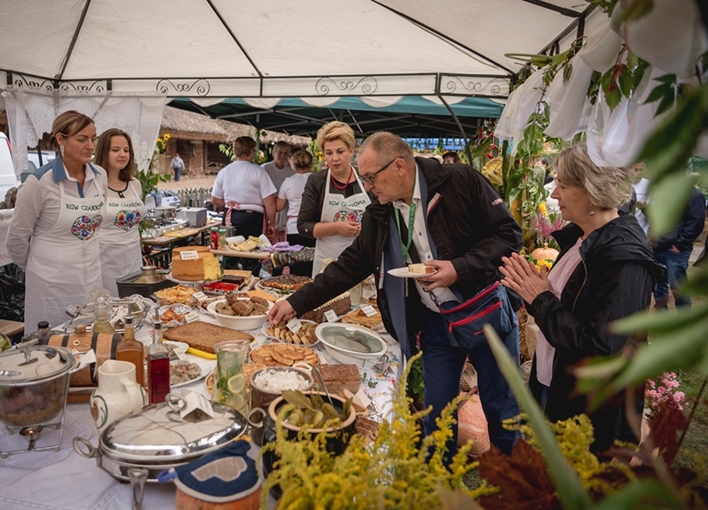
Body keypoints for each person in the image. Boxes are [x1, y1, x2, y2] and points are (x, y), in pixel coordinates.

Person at [271, 132, 523, 457]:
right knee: (436, 417)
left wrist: (459, 268)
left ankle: (514, 480)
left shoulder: (459, 181)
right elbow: (350, 266)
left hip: (485, 313)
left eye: (371, 178)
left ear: (400, 166)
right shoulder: (380, 212)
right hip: (436, 325)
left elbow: (508, 234)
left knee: (502, 411)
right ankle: (439, 481)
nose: (368, 186)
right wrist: (296, 302)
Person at [499, 142, 665, 454]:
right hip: (557, 384)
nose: (553, 194)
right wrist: (536, 291)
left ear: (592, 190)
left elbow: (602, 346)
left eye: (563, 185)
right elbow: (571, 304)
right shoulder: (582, 237)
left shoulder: (623, 258)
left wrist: (541, 300)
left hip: (589, 408)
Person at [7, 110, 106, 331]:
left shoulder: (100, 176)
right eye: (82, 139)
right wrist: (42, 269)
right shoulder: (39, 182)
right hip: (51, 288)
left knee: (92, 340)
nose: (90, 146)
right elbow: (16, 239)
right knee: (53, 344)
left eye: (93, 138)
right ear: (61, 139)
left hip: (91, 281)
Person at [296, 122, 372, 277]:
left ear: (351, 151)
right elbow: (303, 226)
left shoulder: (366, 178)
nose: (335, 158)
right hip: (328, 262)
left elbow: (384, 218)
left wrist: (366, 228)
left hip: (364, 261)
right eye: (329, 153)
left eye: (340, 151)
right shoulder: (317, 181)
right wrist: (337, 228)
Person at [94, 128, 146, 297]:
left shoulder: (135, 184)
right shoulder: (94, 185)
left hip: (133, 257)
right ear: (104, 152)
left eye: (126, 150)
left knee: (134, 302)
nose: (122, 155)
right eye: (115, 150)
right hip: (105, 259)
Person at [652, 183, 706, 309]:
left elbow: (696, 222)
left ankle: (684, 315)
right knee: (659, 286)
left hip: (675, 250)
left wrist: (680, 245)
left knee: (678, 287)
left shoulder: (695, 195)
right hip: (658, 247)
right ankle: (661, 316)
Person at [211, 136, 276, 241]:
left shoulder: (224, 172)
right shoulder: (258, 171)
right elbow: (270, 201)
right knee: (253, 248)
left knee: (231, 247)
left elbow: (215, 199)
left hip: (231, 216)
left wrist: (232, 206)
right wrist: (272, 223)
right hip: (253, 218)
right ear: (250, 151)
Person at [276, 148, 315, 277]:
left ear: (293, 164)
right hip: (314, 226)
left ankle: (295, 285)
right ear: (311, 164)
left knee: (295, 261)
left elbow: (279, 206)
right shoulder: (317, 180)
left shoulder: (288, 182)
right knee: (311, 260)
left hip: (294, 226)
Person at [262, 141, 294, 243]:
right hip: (269, 211)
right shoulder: (265, 169)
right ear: (274, 153)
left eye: (285, 153)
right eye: (280, 152)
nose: (282, 156)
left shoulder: (291, 172)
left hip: (284, 212)